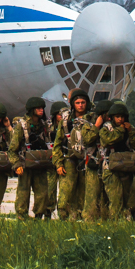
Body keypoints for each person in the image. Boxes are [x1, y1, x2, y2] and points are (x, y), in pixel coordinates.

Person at [10, 96, 55, 219]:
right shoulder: (21, 126)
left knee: (42, 193)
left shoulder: (44, 125)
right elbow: (12, 150)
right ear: (32, 109)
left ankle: (39, 216)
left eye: (42, 108)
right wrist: (16, 164)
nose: (41, 110)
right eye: (38, 108)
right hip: (25, 165)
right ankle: (21, 217)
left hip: (41, 164)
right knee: (23, 193)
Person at [52, 89, 94, 220]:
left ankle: (78, 217)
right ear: (73, 104)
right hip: (69, 159)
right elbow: (57, 144)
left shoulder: (93, 119)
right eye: (77, 103)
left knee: (83, 192)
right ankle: (64, 217)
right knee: (66, 191)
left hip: (86, 160)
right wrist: (58, 164)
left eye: (83, 102)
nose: (80, 105)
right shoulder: (65, 121)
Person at [99, 102, 135, 219]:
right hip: (110, 168)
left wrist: (131, 132)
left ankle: (125, 221)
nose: (120, 119)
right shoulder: (106, 128)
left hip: (126, 167)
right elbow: (107, 141)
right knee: (115, 198)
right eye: (117, 117)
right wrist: (121, 130)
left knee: (127, 198)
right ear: (112, 117)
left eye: (122, 117)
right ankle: (115, 223)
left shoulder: (130, 129)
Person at [46, 100, 67, 216]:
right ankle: (48, 211)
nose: (62, 117)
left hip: (64, 160)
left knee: (65, 190)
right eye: (60, 115)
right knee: (50, 189)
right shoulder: (48, 127)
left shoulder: (68, 125)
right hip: (51, 161)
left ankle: (63, 212)